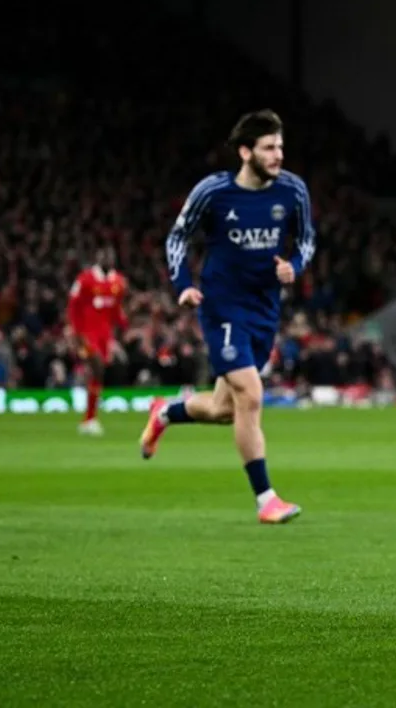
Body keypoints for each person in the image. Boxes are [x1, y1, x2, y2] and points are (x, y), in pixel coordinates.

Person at [139, 110, 315, 524]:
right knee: (251, 396)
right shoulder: (213, 192)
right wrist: (183, 284)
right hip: (222, 306)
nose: (278, 155)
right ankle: (266, 499)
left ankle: (165, 412)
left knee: (224, 409)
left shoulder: (292, 191)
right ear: (245, 151)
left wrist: (295, 265)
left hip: (264, 310)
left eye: (280, 147)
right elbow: (178, 236)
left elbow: (307, 239)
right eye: (269, 148)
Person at [66, 247, 128, 436]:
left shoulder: (118, 282)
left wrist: (124, 325)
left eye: (111, 257)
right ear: (98, 258)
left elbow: (116, 310)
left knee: (97, 375)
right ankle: (89, 419)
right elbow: (73, 306)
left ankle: (89, 418)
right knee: (98, 367)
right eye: (105, 257)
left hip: (104, 337)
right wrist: (75, 333)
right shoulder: (85, 279)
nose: (109, 260)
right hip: (86, 334)